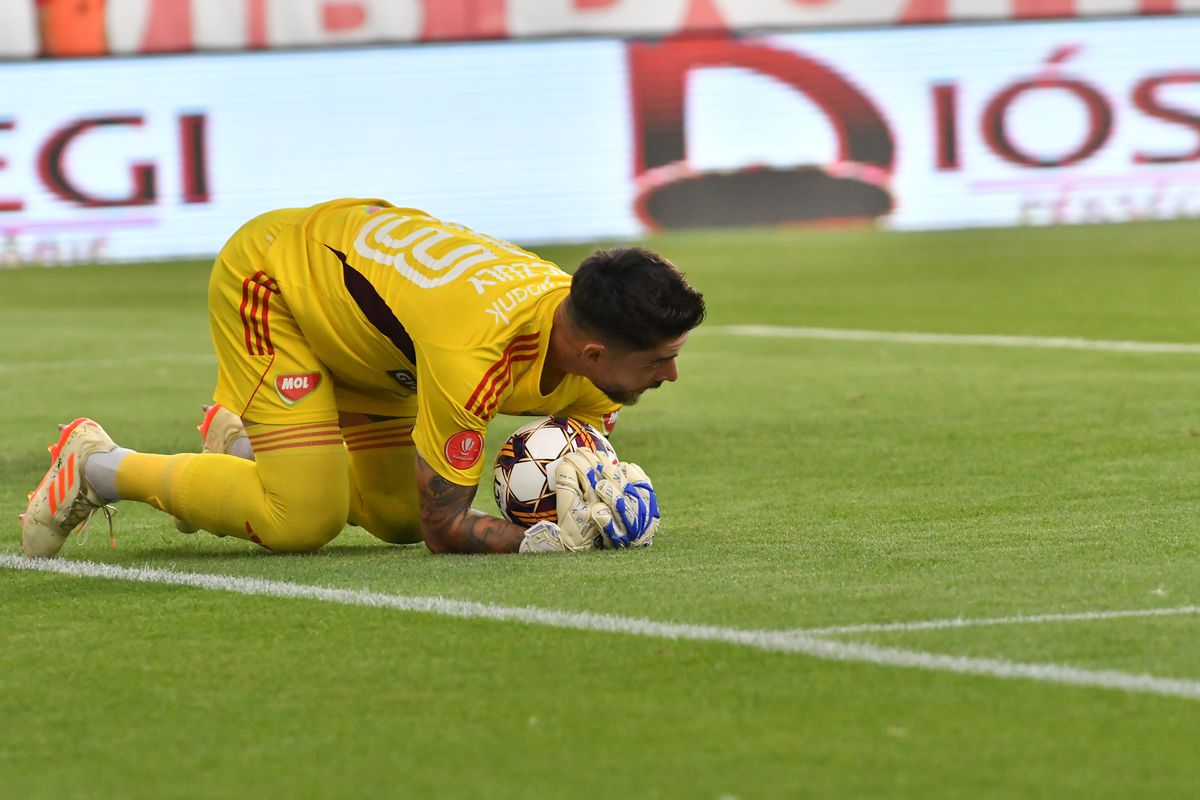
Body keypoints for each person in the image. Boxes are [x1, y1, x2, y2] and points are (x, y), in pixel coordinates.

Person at [19, 198, 706, 557]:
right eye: (657, 361)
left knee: (396, 516)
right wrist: (541, 539)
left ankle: (245, 447)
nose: (672, 374)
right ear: (591, 353)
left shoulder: (581, 330)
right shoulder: (475, 356)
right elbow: (448, 531)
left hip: (384, 337)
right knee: (300, 521)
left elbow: (424, 521)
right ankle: (99, 466)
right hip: (279, 284)